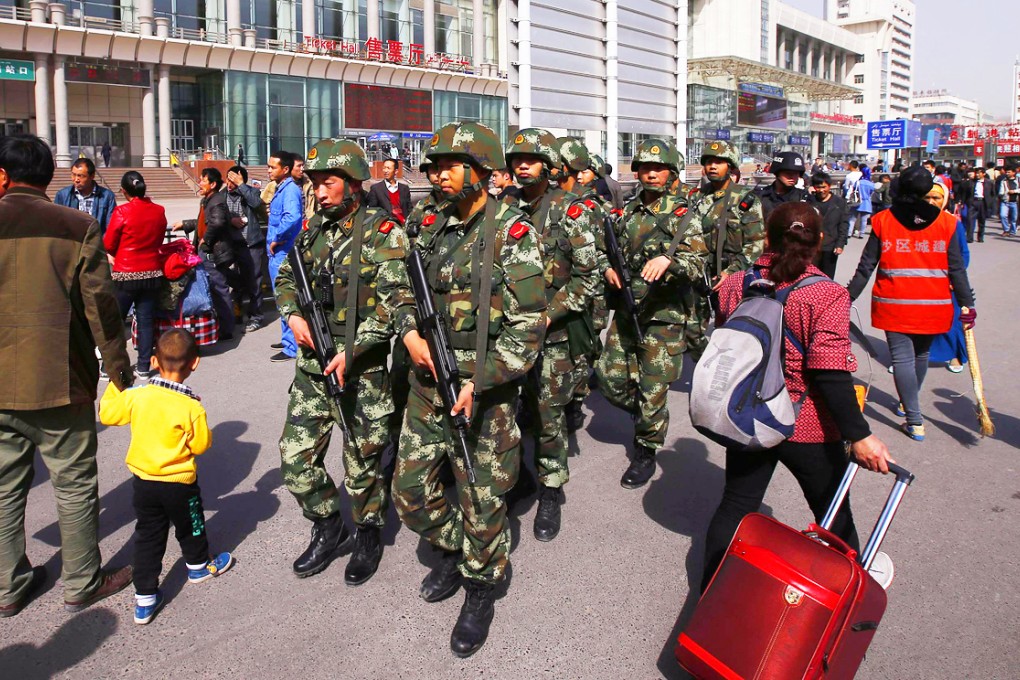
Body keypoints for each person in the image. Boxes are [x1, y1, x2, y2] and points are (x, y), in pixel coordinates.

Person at [393, 122, 545, 658]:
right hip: (428, 383)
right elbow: (405, 290)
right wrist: (410, 333)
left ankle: (481, 583)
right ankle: (459, 550)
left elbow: (528, 327)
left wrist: (480, 384)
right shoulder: (430, 224)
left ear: (483, 172)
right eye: (433, 166)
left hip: (484, 393)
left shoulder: (514, 233)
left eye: (449, 166)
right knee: (409, 491)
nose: (437, 175)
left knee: (483, 499)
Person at [701, 202, 896, 592]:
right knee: (832, 512)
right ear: (819, 240)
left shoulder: (736, 284)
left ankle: (711, 595)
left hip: (750, 416)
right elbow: (829, 372)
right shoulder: (826, 295)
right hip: (807, 426)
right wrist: (859, 434)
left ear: (767, 237)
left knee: (737, 505)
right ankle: (849, 598)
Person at [0, 134, 134, 618]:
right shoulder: (76, 225)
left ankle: (9, 586)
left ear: (2, 177)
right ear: (49, 178)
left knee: (3, 486)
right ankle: (82, 579)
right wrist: (119, 368)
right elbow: (100, 305)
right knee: (74, 481)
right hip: (60, 375)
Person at [274, 138, 409, 586]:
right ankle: (328, 526)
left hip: (361, 372)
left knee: (363, 462)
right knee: (295, 460)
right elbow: (288, 276)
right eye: (313, 182)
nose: (319, 190)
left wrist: (353, 350)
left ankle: (368, 531)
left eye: (327, 181)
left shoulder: (381, 231)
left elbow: (396, 304)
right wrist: (292, 314)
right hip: (313, 369)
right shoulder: (313, 228)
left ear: (353, 184)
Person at [98, 329, 234, 625]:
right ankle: (198, 566)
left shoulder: (138, 396)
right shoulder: (191, 406)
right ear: (194, 363)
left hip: (144, 483)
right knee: (192, 526)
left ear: (156, 361)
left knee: (148, 534)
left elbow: (108, 415)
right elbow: (201, 445)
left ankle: (145, 598)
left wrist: (115, 384)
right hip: (180, 484)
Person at [596, 138, 708, 489]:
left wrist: (669, 261)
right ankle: (649, 415)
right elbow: (604, 251)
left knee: (653, 387)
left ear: (671, 172)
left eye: (659, 168)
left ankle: (646, 447)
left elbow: (697, 261)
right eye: (645, 167)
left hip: (665, 317)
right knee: (609, 378)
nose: (651, 173)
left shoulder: (685, 214)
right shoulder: (627, 212)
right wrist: (607, 269)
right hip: (629, 312)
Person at [505, 130, 600, 540]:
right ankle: (519, 478)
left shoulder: (570, 210)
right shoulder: (502, 207)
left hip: (552, 335)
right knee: (505, 414)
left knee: (548, 417)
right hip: (507, 336)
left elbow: (587, 275)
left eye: (530, 159)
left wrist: (549, 315)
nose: (522, 165)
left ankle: (550, 489)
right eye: (516, 159)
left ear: (548, 164)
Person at [848, 166, 976, 441]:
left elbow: (866, 266)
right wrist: (967, 304)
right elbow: (957, 270)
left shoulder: (883, 220)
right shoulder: (947, 223)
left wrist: (846, 297)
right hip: (934, 304)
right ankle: (910, 406)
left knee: (903, 358)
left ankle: (914, 419)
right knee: (920, 356)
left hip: (894, 302)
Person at [684, 140, 765, 361]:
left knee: (734, 334)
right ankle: (708, 368)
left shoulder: (745, 200)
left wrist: (731, 272)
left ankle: (733, 377)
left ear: (730, 166)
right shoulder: (695, 197)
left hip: (732, 277)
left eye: (719, 162)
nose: (712, 166)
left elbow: (755, 244)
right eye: (709, 161)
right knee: (692, 331)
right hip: (699, 275)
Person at [104, 171, 168, 379]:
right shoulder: (158, 211)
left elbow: (109, 243)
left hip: (126, 274)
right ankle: (143, 366)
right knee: (146, 320)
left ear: (123, 191)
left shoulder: (122, 211)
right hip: (151, 273)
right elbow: (158, 240)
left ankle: (110, 366)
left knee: (116, 321)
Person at [174, 167, 245, 341]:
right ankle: (223, 323)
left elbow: (218, 222)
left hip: (213, 252)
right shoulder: (209, 200)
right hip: (209, 251)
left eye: (203, 180)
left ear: (213, 184)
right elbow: (204, 221)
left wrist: (206, 239)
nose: (200, 183)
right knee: (215, 287)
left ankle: (227, 328)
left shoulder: (217, 201)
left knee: (219, 289)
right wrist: (185, 224)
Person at [925, 182, 970, 373]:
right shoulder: (914, 222)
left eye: (936, 198)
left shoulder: (953, 223)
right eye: (927, 197)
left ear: (944, 200)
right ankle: (909, 359)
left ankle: (955, 356)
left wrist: (954, 280)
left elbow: (963, 254)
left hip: (946, 282)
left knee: (951, 321)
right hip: (922, 282)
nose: (931, 202)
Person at [266, 150, 304, 361]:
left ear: (285, 169)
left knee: (286, 297)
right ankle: (287, 338)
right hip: (278, 251)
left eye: (273, 167)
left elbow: (292, 217)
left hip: (283, 251)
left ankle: (292, 346)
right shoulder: (282, 188)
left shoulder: (289, 190)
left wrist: (277, 237)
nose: (269, 170)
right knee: (281, 297)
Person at [225, 165, 265, 332]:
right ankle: (235, 312)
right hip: (232, 244)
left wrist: (241, 186)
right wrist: (230, 220)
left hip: (251, 243)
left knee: (254, 280)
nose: (229, 183)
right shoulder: (222, 195)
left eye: (233, 179)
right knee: (234, 281)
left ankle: (256, 316)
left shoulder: (252, 192)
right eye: (228, 178)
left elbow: (256, 204)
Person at [54, 158, 117, 235]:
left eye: (81, 176)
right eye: (73, 174)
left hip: (96, 244)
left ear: (92, 176)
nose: (76, 179)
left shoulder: (107, 196)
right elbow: (57, 225)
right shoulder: (62, 195)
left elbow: (110, 228)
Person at [809, 172, 849, 279]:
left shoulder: (839, 202)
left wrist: (840, 244)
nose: (821, 190)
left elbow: (843, 224)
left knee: (827, 277)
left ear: (829, 186)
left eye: (824, 187)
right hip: (812, 246)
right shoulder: (809, 202)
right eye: (818, 187)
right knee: (811, 277)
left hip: (830, 246)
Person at [755, 151, 809, 219]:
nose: (792, 177)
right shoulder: (760, 196)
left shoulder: (804, 198)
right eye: (788, 173)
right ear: (777, 172)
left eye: (796, 173)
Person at [366, 158, 413, 222]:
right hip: (385, 226)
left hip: (403, 225)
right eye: (384, 168)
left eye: (388, 168)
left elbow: (409, 208)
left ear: (396, 171)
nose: (385, 171)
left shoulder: (404, 188)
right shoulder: (376, 189)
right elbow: (373, 210)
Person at [966, 166, 995, 243]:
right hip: (974, 201)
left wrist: (990, 203)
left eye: (979, 173)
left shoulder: (989, 183)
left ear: (984, 174)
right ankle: (969, 238)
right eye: (977, 173)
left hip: (983, 202)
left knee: (982, 220)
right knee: (970, 220)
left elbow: (993, 194)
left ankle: (980, 237)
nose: (977, 175)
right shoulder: (972, 182)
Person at [849, 171, 875, 238]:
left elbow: (853, 189)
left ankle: (849, 233)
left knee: (852, 219)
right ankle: (861, 234)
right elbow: (871, 192)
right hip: (866, 203)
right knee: (864, 220)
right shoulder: (870, 184)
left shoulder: (858, 182)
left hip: (857, 201)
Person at [291, 155, 317, 219]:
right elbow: (265, 204)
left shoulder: (309, 183)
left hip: (307, 224)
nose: (302, 169)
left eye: (303, 166)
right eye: (299, 166)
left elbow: (317, 205)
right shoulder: (277, 184)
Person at [998, 166, 1019, 236]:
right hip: (1005, 201)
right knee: (1003, 215)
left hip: (1014, 202)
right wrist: (1003, 193)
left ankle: (1012, 231)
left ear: (1013, 172)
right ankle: (1006, 230)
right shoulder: (1003, 181)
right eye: (1006, 172)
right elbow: (1001, 191)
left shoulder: (1018, 180)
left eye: (1009, 172)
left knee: (1014, 218)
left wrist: (1014, 191)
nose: (1007, 173)